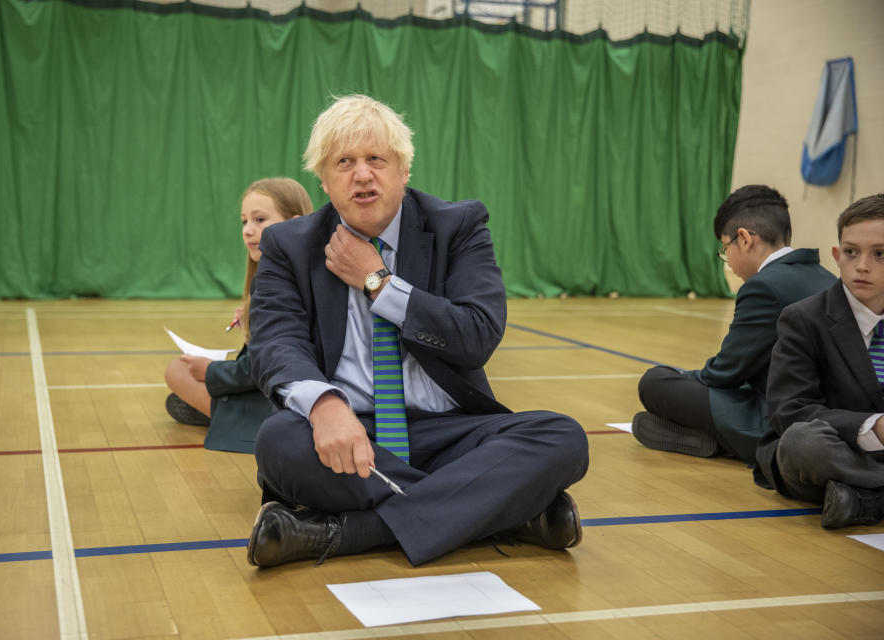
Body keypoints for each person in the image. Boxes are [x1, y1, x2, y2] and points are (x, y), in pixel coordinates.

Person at [245, 94, 589, 568]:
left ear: (403, 171)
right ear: (323, 180)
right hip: (350, 432)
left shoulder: (459, 226)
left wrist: (378, 283)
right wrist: (325, 405)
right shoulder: (289, 243)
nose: (362, 174)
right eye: (343, 162)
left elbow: (478, 335)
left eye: (376, 160)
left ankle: (343, 533)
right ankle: (501, 513)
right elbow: (274, 342)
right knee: (278, 441)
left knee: (561, 437)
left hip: (449, 432)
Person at [633, 185, 836, 463]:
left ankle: (722, 439)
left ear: (744, 239)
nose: (727, 259)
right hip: (825, 413)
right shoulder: (827, 278)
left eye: (725, 248)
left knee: (655, 382)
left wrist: (682, 378)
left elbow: (723, 373)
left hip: (778, 421)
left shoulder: (764, 286)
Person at [755, 193, 884, 528]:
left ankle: (866, 500)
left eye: (880, 254)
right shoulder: (803, 318)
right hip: (840, 449)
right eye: (852, 252)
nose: (863, 266)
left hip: (860, 470)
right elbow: (790, 409)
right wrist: (872, 426)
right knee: (802, 443)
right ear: (836, 256)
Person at [163, 177, 313, 453]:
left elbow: (256, 370)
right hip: (286, 391)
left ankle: (223, 416)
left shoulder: (273, 282)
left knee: (177, 371)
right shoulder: (299, 273)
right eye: (244, 221)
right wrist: (252, 325)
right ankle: (217, 410)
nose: (248, 230)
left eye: (259, 220)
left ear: (294, 222)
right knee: (181, 381)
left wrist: (210, 370)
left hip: (277, 400)